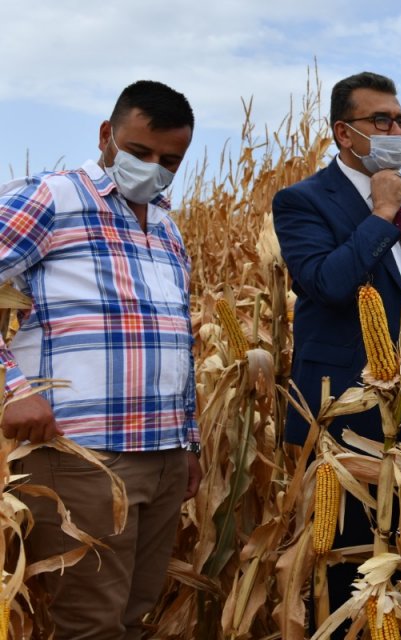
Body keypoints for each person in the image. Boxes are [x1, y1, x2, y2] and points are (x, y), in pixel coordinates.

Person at [2, 80, 201, 637]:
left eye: (169, 160)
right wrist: (13, 387)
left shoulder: (165, 227)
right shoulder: (52, 198)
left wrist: (188, 443)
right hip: (80, 453)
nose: (153, 168)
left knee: (134, 615)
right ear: (106, 136)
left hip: (161, 453)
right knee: (89, 622)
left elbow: (173, 337)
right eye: (140, 152)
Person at [272, 71, 401, 620]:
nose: (395, 130)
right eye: (379, 120)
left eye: (400, 120)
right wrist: (381, 212)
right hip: (350, 405)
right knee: (350, 555)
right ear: (344, 132)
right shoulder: (302, 201)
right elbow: (327, 284)